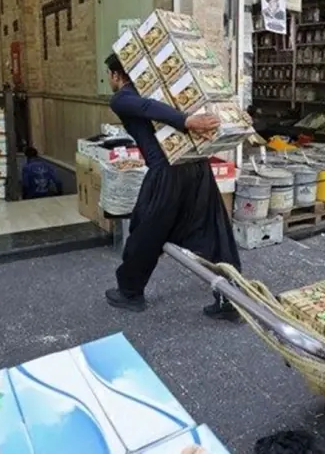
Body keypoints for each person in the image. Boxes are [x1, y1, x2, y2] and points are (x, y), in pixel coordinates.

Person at [102, 53, 241, 320]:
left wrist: (186, 121)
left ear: (116, 75)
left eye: (110, 76)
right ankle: (231, 297)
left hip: (167, 172)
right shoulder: (163, 91)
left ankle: (130, 292)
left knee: (145, 232)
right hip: (197, 168)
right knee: (216, 233)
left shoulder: (122, 98)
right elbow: (152, 106)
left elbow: (144, 108)